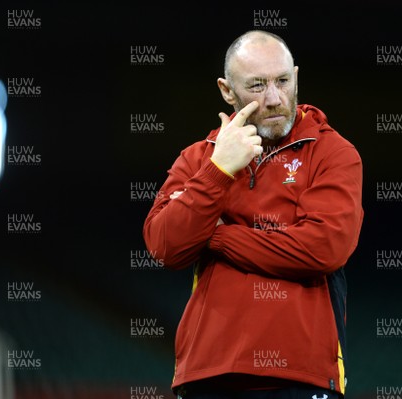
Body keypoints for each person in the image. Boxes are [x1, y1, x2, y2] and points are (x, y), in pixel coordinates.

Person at [143, 30, 364, 398]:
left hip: (300, 377)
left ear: (296, 75)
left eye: (283, 81)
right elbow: (165, 246)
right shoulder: (200, 157)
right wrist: (218, 170)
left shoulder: (333, 153)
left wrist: (215, 235)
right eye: (257, 85)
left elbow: (321, 249)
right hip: (206, 375)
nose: (275, 98)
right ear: (227, 92)